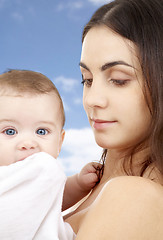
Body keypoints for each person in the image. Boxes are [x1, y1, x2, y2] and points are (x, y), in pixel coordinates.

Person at [64, 0, 163, 239]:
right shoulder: (80, 188)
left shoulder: (135, 196)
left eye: (119, 79)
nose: (92, 99)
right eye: (87, 80)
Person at [0, 69, 101, 240]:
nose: (28, 143)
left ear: (60, 142)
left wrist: (78, 184)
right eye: (10, 131)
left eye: (41, 131)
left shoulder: (46, 174)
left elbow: (49, 197)